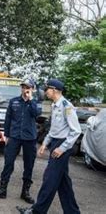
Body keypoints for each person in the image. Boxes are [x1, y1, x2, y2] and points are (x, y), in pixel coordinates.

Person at [17, 79, 81, 214]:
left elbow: (76, 131)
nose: (45, 92)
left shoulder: (66, 106)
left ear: (55, 90)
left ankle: (37, 211)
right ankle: (73, 212)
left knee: (49, 179)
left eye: (47, 89)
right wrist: (45, 144)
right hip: (56, 143)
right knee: (63, 182)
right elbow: (54, 129)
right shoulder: (55, 105)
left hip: (62, 145)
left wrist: (62, 148)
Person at [0, 79, 40, 204]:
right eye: (23, 87)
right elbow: (8, 119)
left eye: (28, 87)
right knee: (8, 163)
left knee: (29, 165)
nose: (25, 89)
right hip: (14, 137)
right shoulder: (14, 102)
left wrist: (31, 99)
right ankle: (2, 189)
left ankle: (25, 192)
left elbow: (36, 114)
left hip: (29, 138)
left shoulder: (35, 102)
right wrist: (6, 135)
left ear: (32, 89)